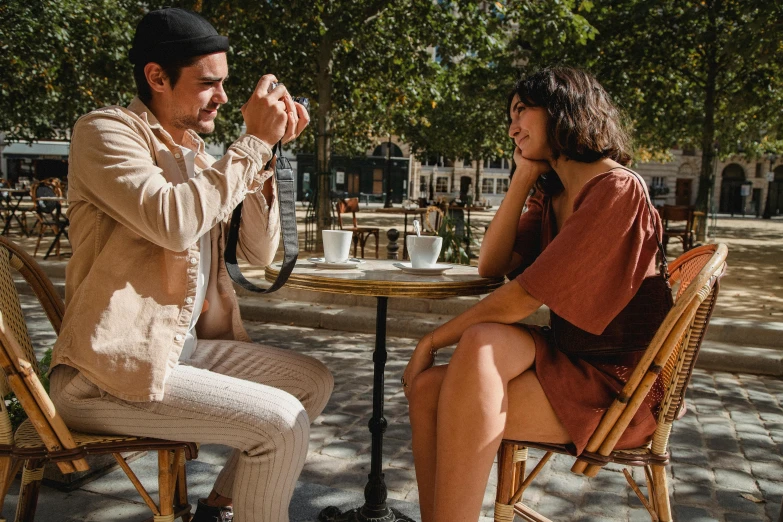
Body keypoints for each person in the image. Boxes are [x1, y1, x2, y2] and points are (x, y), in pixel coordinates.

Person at [49, 8, 333, 522]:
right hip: (108, 372)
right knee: (281, 422)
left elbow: (259, 255)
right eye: (209, 84)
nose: (224, 97)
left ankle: (217, 509)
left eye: (225, 83)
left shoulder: (200, 159)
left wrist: (267, 163)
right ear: (157, 77)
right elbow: (173, 220)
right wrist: (253, 143)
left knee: (312, 382)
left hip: (182, 354)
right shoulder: (105, 132)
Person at [402, 66, 670, 522]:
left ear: (563, 108)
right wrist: (523, 179)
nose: (511, 128)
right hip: (569, 360)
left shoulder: (617, 189)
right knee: (443, 375)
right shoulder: (556, 195)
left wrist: (433, 339)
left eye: (521, 111)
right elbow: (492, 265)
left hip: (620, 388)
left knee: (459, 359)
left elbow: (523, 298)